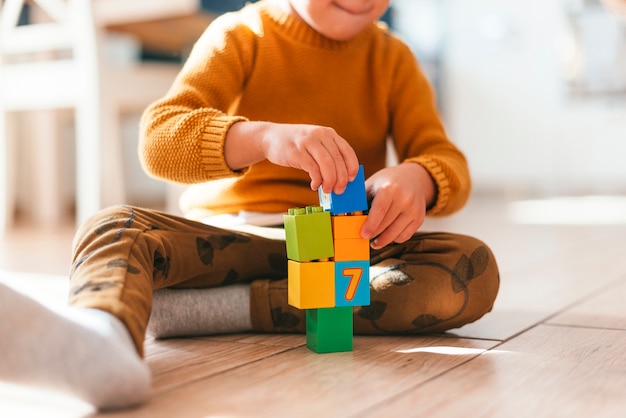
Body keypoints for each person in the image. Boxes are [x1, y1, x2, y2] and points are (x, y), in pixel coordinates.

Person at [0, 0, 500, 411]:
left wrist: (418, 178)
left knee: (468, 267)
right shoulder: (240, 34)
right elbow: (157, 139)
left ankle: (210, 310)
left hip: (344, 252)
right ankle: (101, 337)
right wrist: (258, 138)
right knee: (114, 226)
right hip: (231, 240)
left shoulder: (394, 58)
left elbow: (443, 157)